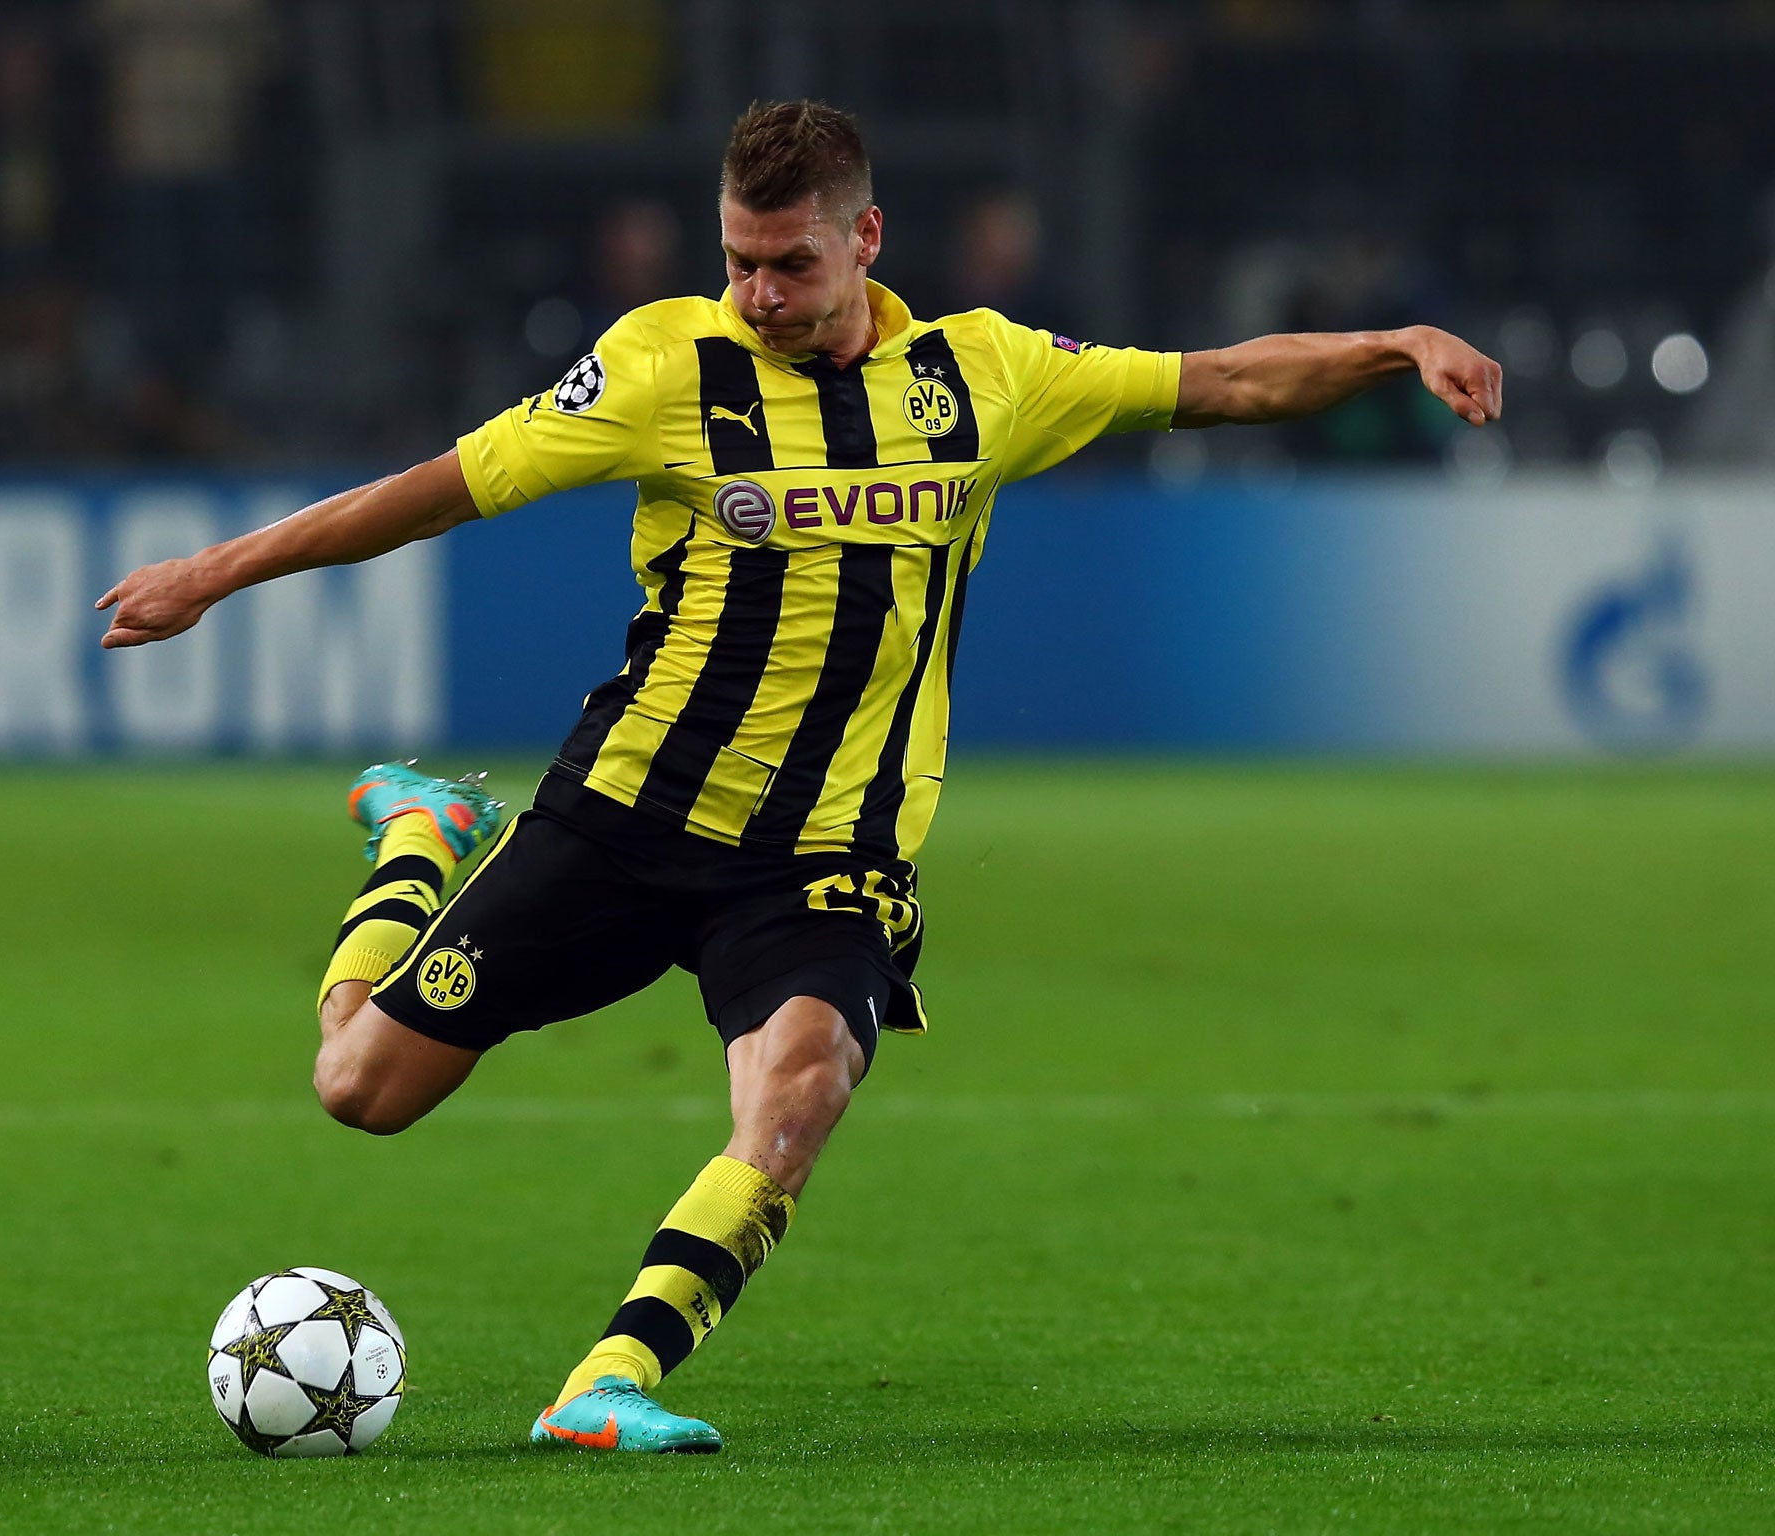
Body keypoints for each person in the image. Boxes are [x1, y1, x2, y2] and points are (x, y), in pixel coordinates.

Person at [97, 100, 1502, 1454]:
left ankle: (607, 1378)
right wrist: (212, 576)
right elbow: (433, 487)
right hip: (625, 815)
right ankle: (417, 832)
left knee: (802, 1087)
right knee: (361, 1088)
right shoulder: (661, 367)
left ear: (867, 237)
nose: (758, 294)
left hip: (823, 853)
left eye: (789, 264)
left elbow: (1226, 381)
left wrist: (1396, 344)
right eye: (737, 263)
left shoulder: (985, 374)